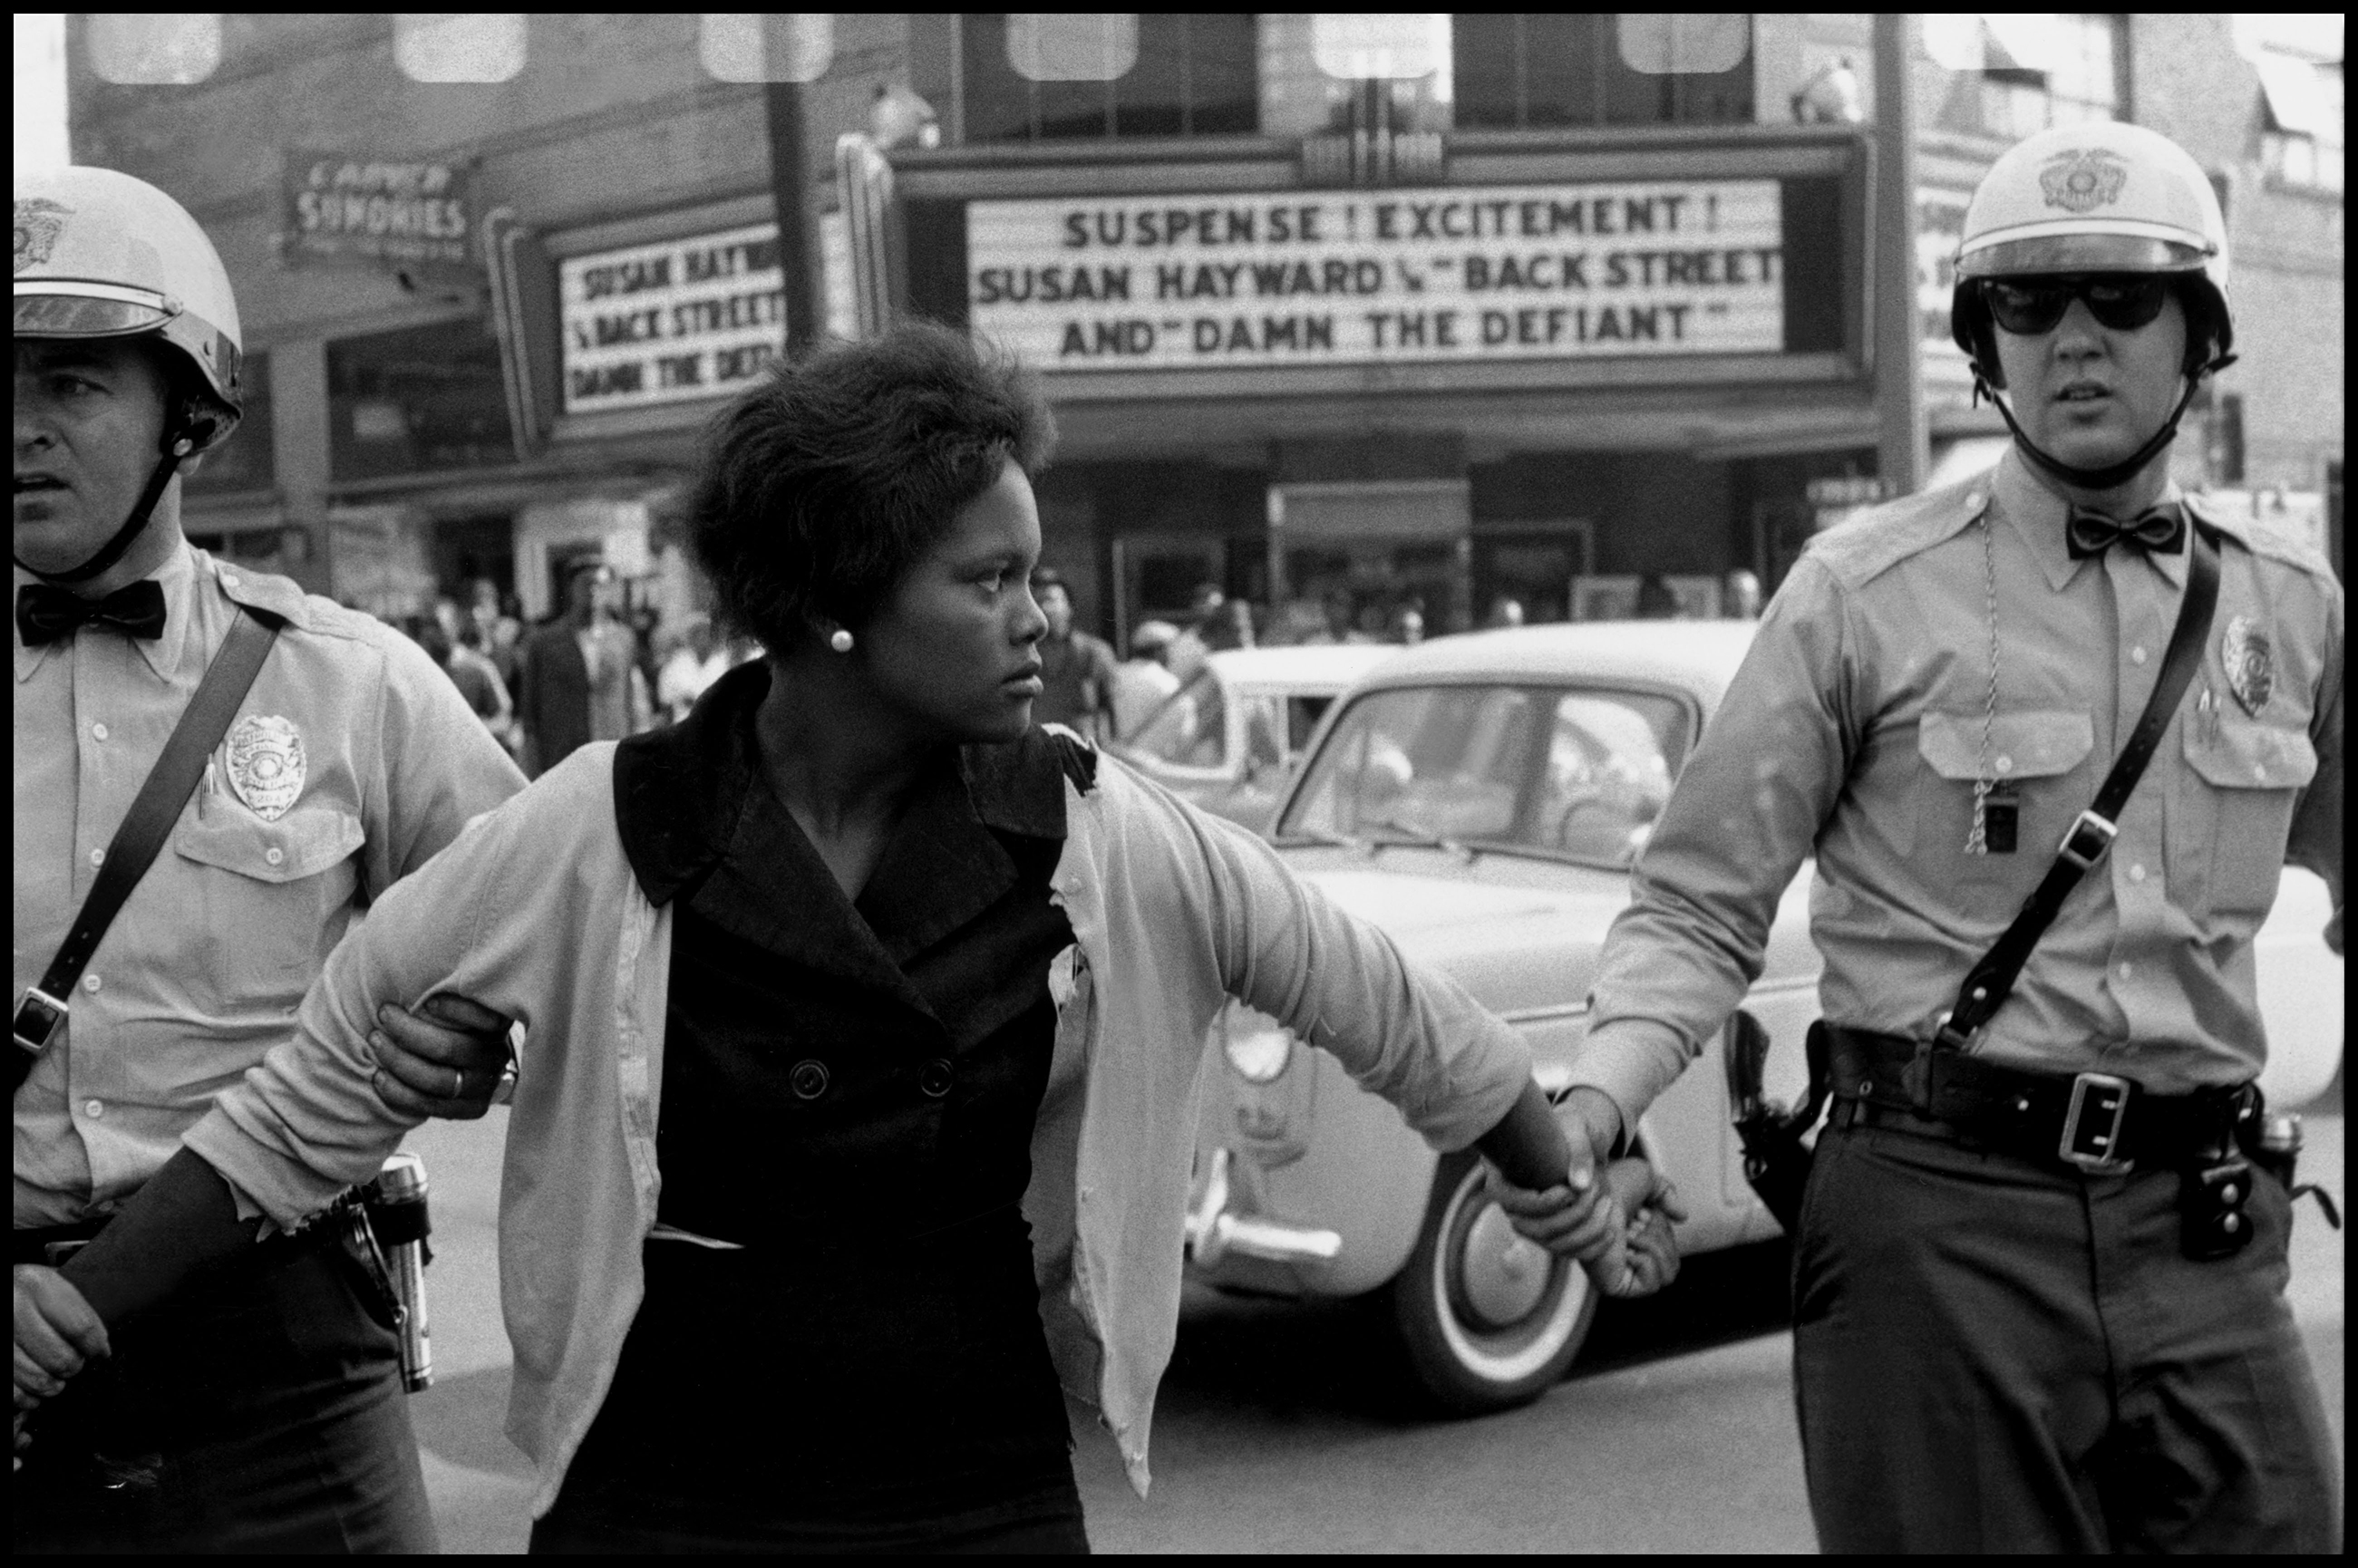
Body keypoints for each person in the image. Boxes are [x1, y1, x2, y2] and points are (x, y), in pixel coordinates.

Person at [34, 323, 1682, 1553]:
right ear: (835, 602)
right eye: (993, 582)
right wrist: (71, 1315)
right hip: (665, 1484)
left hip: (974, 1483)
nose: (1045, 619)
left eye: (1040, 577)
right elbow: (310, 1102)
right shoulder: (603, 826)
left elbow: (1384, 1006)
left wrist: (1556, 1173)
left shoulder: (1100, 835)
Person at [1496, 120, 2343, 1552]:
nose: (2074, 339)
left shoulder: (2294, 603)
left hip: (2203, 1231)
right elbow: (1698, 904)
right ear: (1982, 343)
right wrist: (1594, 1105)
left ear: (2201, 334)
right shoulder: (1858, 592)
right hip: (1940, 1228)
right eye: (2026, 303)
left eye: (2121, 298)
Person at [13, 164, 526, 1552]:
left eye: (72, 386)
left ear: (189, 414)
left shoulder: (355, 688)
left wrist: (482, 1051)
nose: (22, 433)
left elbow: (558, 946)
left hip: (284, 1348)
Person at [515, 561, 651, 777]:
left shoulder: (623, 639)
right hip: (562, 760)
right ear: (572, 588)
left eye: (601, 585)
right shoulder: (544, 642)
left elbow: (635, 702)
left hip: (611, 756)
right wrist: (532, 768)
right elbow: (530, 714)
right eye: (586, 584)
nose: (593, 591)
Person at [1029, 566, 1120, 743]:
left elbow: (1113, 711)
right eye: (1037, 601)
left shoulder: (1094, 653)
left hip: (1082, 751)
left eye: (1051, 600)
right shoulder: (1021, 656)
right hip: (1037, 751)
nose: (1045, 608)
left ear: (1069, 607)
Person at [1107, 618, 1181, 738]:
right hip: (1150, 755)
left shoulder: (1115, 674)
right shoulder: (1168, 683)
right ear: (1159, 650)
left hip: (1113, 752)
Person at [655, 611, 729, 722]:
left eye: (706, 632)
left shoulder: (725, 661)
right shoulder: (677, 662)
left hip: (717, 724)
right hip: (683, 724)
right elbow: (666, 700)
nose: (702, 637)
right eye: (697, 633)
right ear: (690, 637)